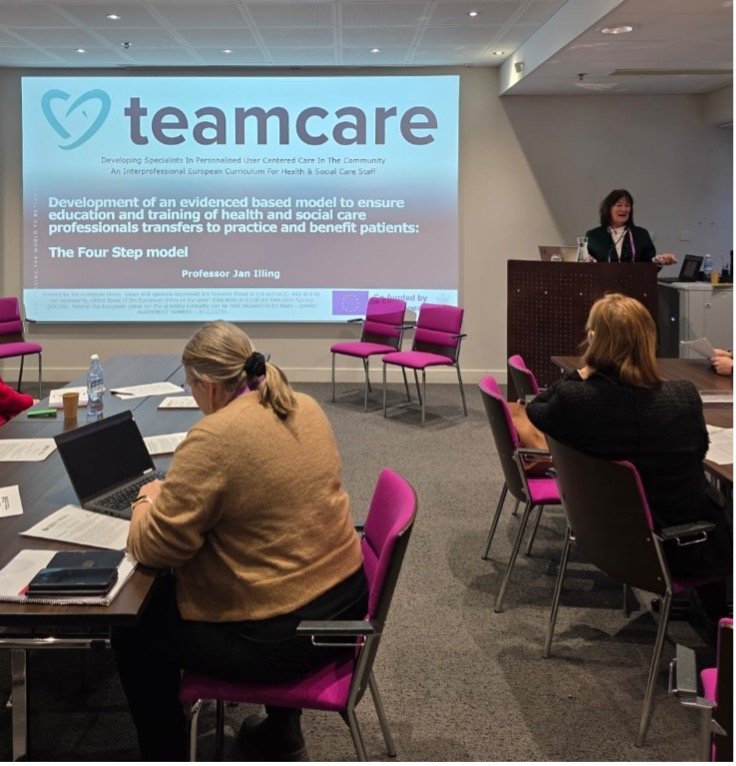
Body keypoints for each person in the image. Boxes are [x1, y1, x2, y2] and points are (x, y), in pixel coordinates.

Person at [111, 320, 367, 761]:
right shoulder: (303, 405)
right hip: (344, 604)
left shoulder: (215, 437)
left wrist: (145, 500)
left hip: (282, 637)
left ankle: (164, 752)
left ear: (209, 386)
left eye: (191, 386)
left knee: (134, 625)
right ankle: (281, 729)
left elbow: (153, 547)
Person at [527, 294, 731, 612]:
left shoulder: (576, 402)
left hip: (609, 539)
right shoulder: (683, 397)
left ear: (595, 339)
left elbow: (536, 407)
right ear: (648, 340)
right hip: (685, 546)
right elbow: (699, 454)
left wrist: (584, 368)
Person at [585, 189, 677, 265]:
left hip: (635, 281)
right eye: (619, 205)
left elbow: (649, 263)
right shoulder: (593, 235)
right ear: (608, 209)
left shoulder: (641, 234)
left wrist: (660, 260)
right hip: (603, 281)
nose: (624, 209)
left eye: (627, 205)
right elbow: (586, 264)